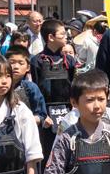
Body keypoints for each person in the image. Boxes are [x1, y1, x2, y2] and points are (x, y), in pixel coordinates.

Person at [30, 18, 79, 158]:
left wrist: (74, 109)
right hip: (47, 116)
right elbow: (35, 92)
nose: (66, 37)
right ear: (50, 37)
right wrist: (42, 115)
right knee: (48, 153)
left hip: (67, 111)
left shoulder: (69, 60)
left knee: (70, 151)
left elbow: (74, 86)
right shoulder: (37, 61)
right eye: (62, 34)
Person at [5, 46, 49, 125]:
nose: (16, 67)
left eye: (21, 63)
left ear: (28, 68)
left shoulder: (31, 88)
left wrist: (22, 120)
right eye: (12, 62)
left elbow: (41, 115)